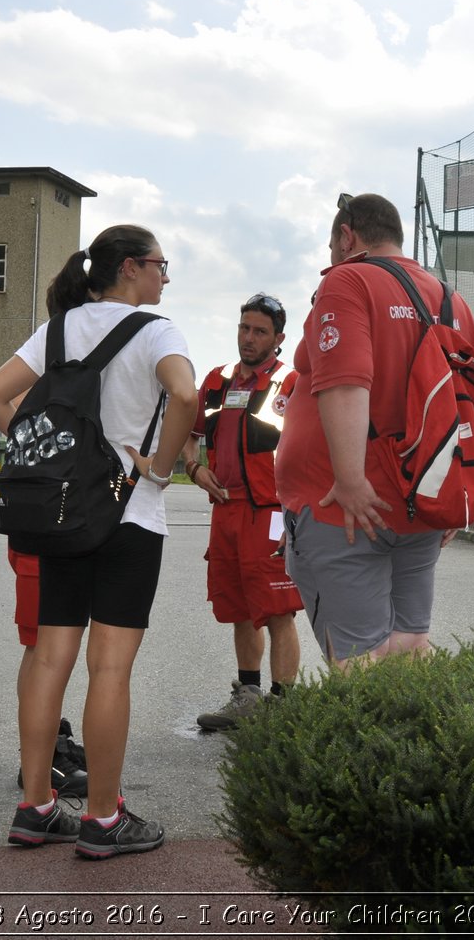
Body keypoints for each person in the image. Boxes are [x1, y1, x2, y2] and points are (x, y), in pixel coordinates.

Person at [0, 224, 196, 860]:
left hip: (63, 513)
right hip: (129, 515)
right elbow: (184, 393)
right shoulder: (157, 331)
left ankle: (36, 806)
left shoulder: (59, 329)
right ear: (130, 268)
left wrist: (49, 446)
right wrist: (158, 464)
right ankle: (103, 818)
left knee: (50, 657)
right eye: (159, 264)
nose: (164, 276)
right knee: (110, 667)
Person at [274, 193, 474, 669]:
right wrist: (461, 494)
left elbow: (345, 381)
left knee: (358, 659)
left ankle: (370, 744)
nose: (331, 256)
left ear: (347, 236)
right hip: (419, 501)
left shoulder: (349, 280)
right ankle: (418, 742)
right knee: (410, 644)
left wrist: (350, 480)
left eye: (332, 245)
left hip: (348, 506)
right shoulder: (450, 298)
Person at [182, 293, 302, 730]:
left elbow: (310, 449)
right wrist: (194, 468)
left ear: (279, 338)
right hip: (226, 512)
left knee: (277, 609)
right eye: (244, 328)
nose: (248, 338)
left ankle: (282, 706)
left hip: (270, 512)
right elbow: (188, 433)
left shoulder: (291, 382)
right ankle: (248, 696)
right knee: (239, 608)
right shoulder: (217, 381)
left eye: (259, 332)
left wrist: (297, 513)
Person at [6, 547, 87, 797]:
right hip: (44, 533)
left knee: (44, 644)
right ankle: (43, 758)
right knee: (41, 644)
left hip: (54, 530)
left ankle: (47, 743)